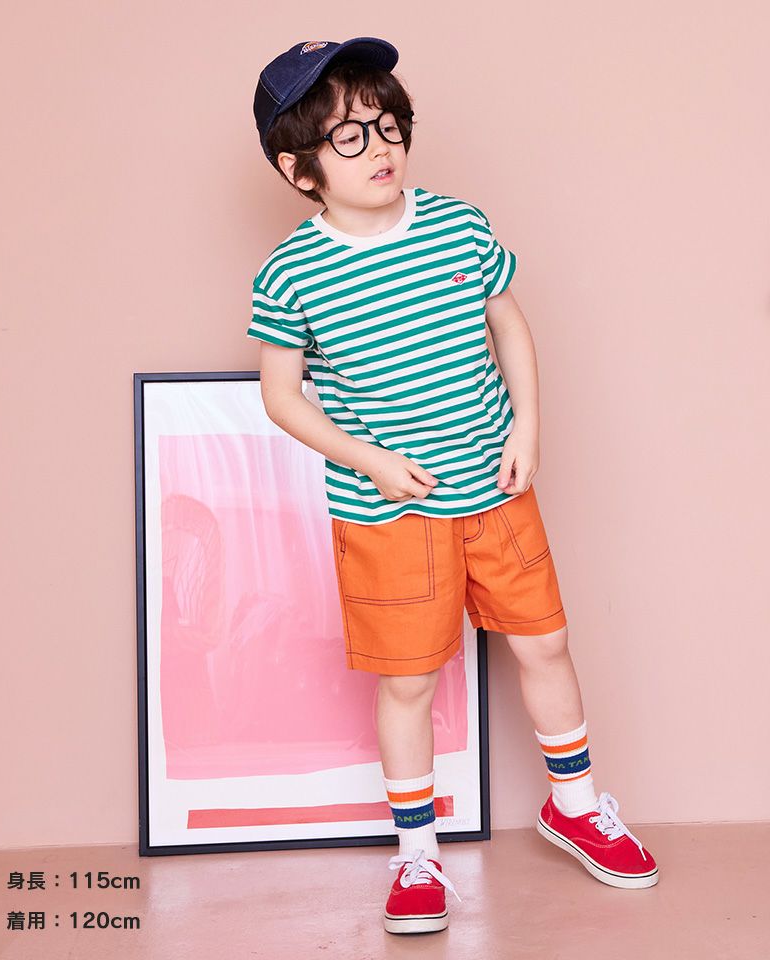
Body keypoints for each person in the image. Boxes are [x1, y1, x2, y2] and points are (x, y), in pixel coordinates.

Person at [247, 37, 658, 935]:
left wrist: (528, 424)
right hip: (387, 512)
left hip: (494, 492)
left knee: (545, 642)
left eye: (388, 123)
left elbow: (509, 325)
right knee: (407, 681)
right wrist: (370, 460)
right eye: (349, 136)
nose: (381, 147)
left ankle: (575, 804)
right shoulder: (290, 272)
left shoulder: (459, 225)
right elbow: (281, 397)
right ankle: (416, 854)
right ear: (299, 168)